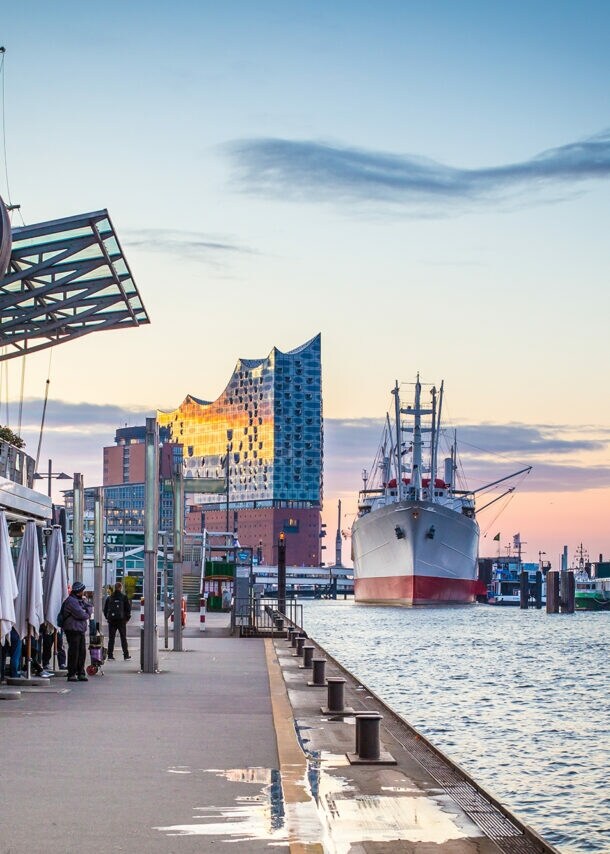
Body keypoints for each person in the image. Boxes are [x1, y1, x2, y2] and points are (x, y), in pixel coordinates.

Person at [61, 581, 93, 682]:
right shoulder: (71, 601)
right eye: (82, 591)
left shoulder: (80, 600)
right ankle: (72, 673)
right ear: (78, 591)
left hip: (80, 629)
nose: (83, 593)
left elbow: (89, 607)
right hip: (72, 629)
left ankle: (81, 673)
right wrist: (86, 612)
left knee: (82, 652)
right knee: (74, 652)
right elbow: (81, 614)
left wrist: (86, 611)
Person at [103, 581, 132, 660]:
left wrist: (108, 618)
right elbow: (128, 609)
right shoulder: (124, 597)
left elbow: (105, 610)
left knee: (111, 638)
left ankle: (110, 655)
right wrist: (126, 619)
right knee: (123, 638)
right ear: (120, 588)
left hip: (112, 621)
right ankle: (126, 655)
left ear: (115, 588)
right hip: (121, 621)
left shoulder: (110, 597)